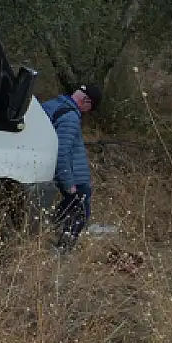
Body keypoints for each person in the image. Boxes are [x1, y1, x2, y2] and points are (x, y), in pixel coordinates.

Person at [44, 84, 100, 249]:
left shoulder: (52, 105)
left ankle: (48, 233)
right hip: (73, 176)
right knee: (80, 213)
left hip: (69, 172)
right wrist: (69, 183)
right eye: (90, 108)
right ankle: (63, 250)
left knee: (67, 209)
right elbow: (62, 152)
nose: (87, 112)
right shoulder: (70, 117)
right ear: (86, 101)